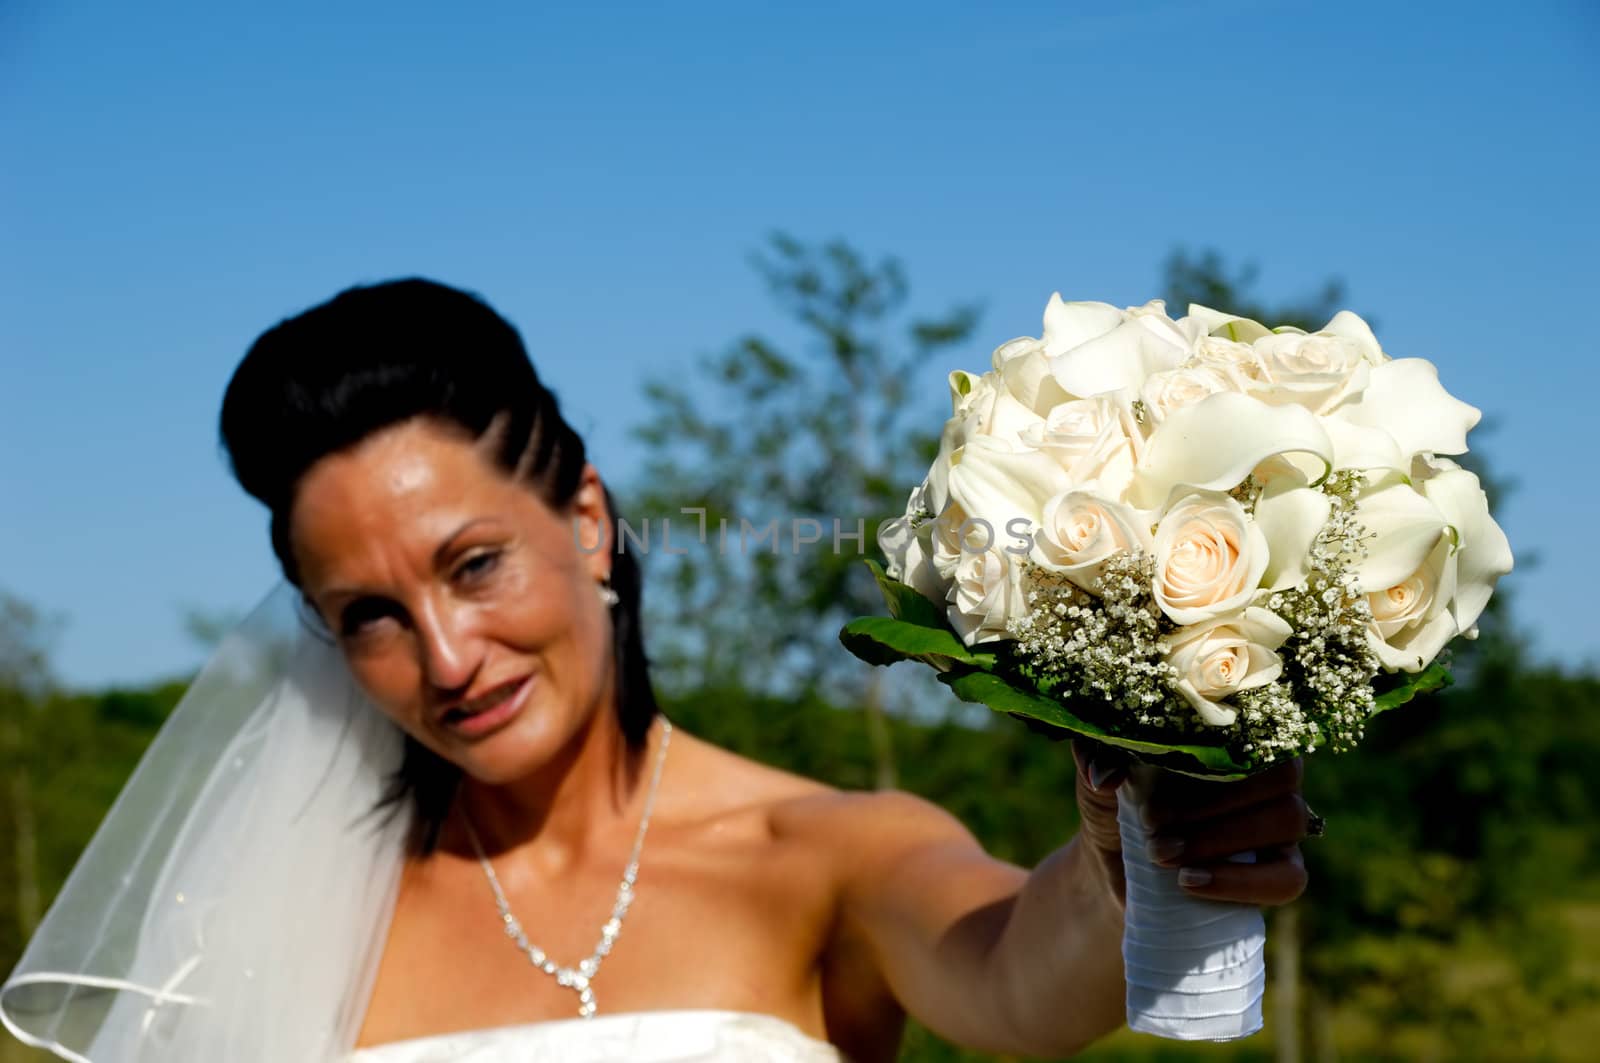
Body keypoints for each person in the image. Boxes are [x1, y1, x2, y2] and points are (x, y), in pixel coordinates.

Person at [1, 279, 1314, 1062]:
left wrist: (1128, 844)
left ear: (583, 518)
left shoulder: (824, 853)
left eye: (473, 566)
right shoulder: (289, 919)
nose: (447, 659)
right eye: (370, 618)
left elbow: (1024, 979)